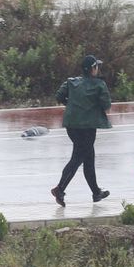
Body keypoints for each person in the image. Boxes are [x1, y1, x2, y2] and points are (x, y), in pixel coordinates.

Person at [49, 53, 112, 206]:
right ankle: (60, 189)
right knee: (79, 158)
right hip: (87, 127)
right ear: (93, 69)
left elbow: (59, 96)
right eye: (97, 66)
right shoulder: (99, 85)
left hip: (71, 125)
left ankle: (96, 192)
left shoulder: (71, 82)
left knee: (88, 158)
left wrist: (71, 105)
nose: (98, 69)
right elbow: (106, 105)